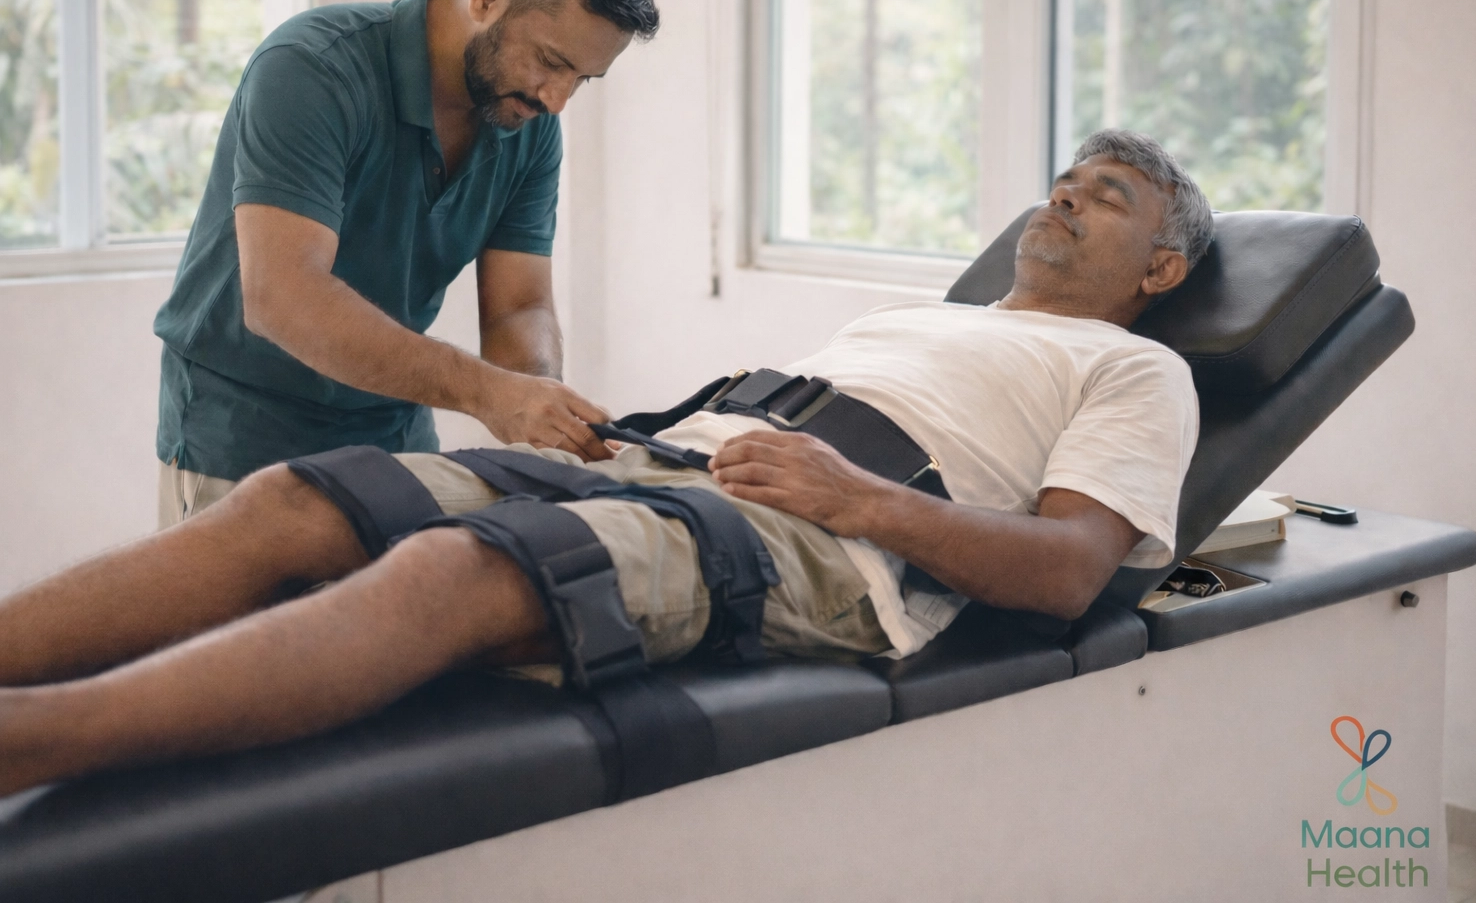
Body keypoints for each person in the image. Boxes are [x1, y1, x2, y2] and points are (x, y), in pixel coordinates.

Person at [0, 130, 1213, 796]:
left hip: (828, 543)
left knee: (452, 576)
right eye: (1060, 180)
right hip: (675, 459)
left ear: (1158, 270)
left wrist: (861, 497)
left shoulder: (1138, 371)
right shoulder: (930, 316)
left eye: (1101, 199)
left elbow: (1067, 571)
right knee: (294, 499)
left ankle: (34, 739)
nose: (1060, 199)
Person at [154, 0, 658, 529]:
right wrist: (487, 393)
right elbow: (282, 295)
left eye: (583, 79)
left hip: (395, 442)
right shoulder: (312, 68)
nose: (557, 100)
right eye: (552, 62)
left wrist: (538, 410)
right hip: (240, 443)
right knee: (245, 633)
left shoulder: (530, 125)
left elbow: (518, 308)